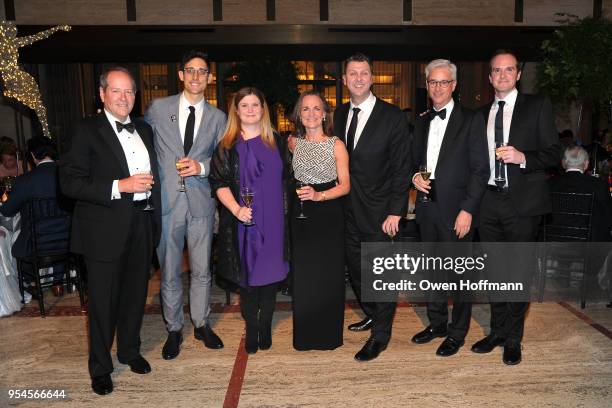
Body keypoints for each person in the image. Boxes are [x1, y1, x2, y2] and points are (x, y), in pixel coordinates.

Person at [60, 67, 161, 395]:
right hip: (103, 229)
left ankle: (129, 351)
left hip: (142, 222)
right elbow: (70, 183)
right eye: (116, 91)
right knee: (103, 303)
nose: (124, 97)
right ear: (102, 94)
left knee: (135, 296)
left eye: (129, 91)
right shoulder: (86, 130)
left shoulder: (144, 129)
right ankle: (100, 368)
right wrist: (121, 185)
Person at [472, 50, 560, 365]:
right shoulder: (480, 115)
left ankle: (513, 338)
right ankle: (496, 331)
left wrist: (522, 157)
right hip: (488, 202)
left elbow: (553, 153)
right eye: (497, 70)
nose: (503, 75)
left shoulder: (537, 106)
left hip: (523, 203)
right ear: (490, 76)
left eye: (509, 70)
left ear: (518, 75)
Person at [145, 49, 225, 360]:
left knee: (203, 269)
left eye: (202, 71)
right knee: (169, 271)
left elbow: (221, 162)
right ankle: (174, 328)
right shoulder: (158, 109)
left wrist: (201, 168)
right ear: (180, 75)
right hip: (167, 202)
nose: (195, 76)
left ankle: (202, 322)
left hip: (201, 203)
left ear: (209, 77)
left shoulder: (219, 118)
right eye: (190, 70)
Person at [333, 53, 412, 361]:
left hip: (380, 213)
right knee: (356, 271)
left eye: (364, 73)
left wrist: (396, 211)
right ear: (344, 80)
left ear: (372, 77)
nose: (359, 78)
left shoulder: (392, 116)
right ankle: (371, 312)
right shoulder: (339, 114)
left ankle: (381, 334)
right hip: (346, 210)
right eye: (352, 74)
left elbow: (401, 168)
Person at [410, 59, 489, 357]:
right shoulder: (421, 120)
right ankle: (438, 324)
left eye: (444, 82)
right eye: (433, 82)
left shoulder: (471, 120)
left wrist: (468, 210)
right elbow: (414, 162)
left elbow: (481, 170)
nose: (438, 87)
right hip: (427, 209)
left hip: (458, 212)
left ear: (454, 86)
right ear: (427, 85)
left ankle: (457, 332)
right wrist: (413, 176)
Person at [210, 87, 289, 354]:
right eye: (245, 105)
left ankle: (265, 325)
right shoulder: (227, 146)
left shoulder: (277, 142)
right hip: (245, 222)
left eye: (256, 104)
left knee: (271, 278)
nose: (251, 109)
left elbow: (287, 179)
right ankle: (252, 329)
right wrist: (235, 210)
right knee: (249, 280)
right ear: (237, 110)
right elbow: (218, 183)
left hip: (276, 222)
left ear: (263, 109)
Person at [288, 90, 350, 351]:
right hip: (300, 215)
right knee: (304, 275)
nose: (311, 114)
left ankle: (327, 336)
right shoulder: (292, 143)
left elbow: (345, 186)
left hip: (328, 214)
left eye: (316, 109)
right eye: (305, 109)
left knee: (328, 275)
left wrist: (319, 195)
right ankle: (305, 336)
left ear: (324, 113)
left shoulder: (336, 144)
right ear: (299, 115)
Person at [0, 137, 71, 297]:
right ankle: (57, 282)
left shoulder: (25, 181)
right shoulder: (69, 175)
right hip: (70, 239)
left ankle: (34, 283)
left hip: (37, 244)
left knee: (17, 243)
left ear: (32, 156)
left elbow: (7, 211)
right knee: (60, 231)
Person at [549, 146, 612, 242]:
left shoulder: (550, 184)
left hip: (554, 241)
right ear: (586, 164)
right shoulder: (599, 185)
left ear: (563, 163)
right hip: (590, 244)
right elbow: (608, 218)